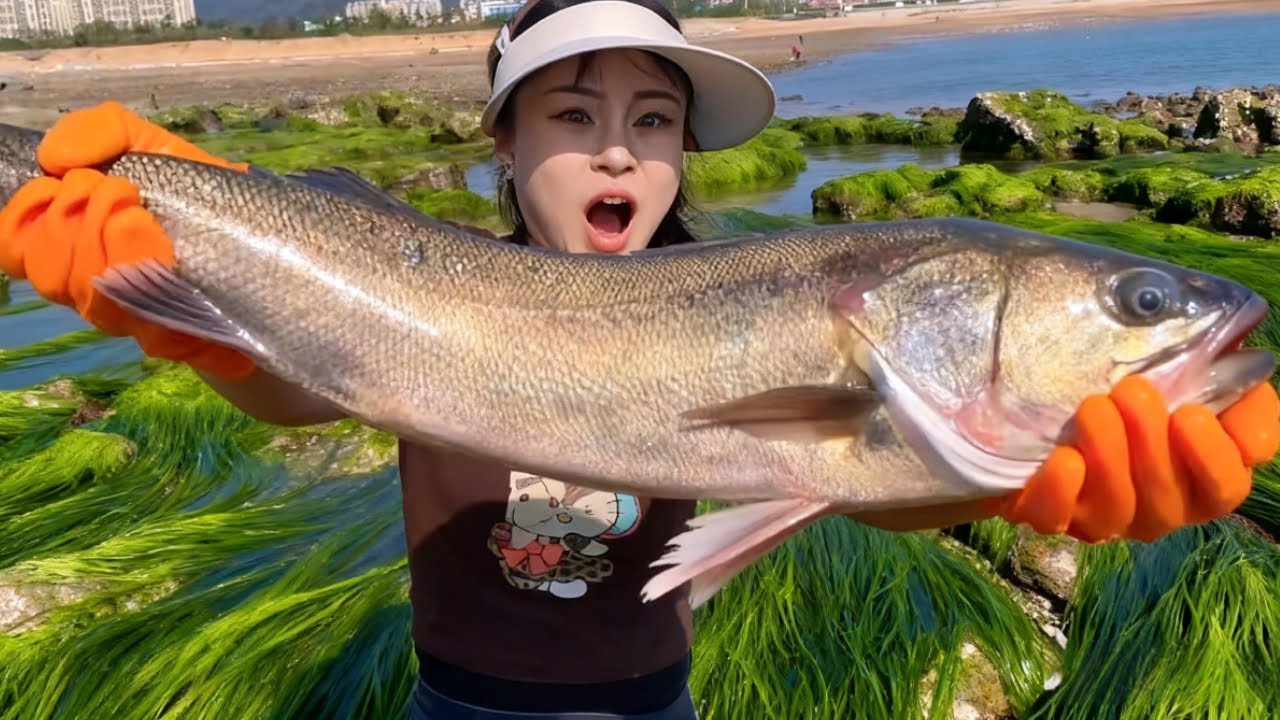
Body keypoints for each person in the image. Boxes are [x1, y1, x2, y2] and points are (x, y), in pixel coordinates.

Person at [1, 0, 1276, 717]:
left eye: (653, 120)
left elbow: (871, 471)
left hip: (651, 702)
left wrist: (1010, 480)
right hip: (460, 703)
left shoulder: (801, 314)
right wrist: (169, 300)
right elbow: (295, 388)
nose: (619, 153)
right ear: (501, 144)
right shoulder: (433, 270)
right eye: (573, 113)